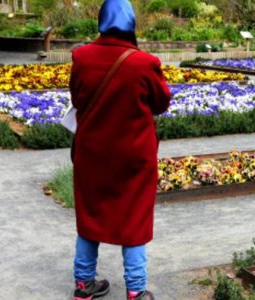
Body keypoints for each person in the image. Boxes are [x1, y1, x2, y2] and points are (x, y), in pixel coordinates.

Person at [69, 0, 171, 298]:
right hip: (132, 159)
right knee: (134, 219)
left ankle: (83, 284)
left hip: (92, 156)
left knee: (90, 217)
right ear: (131, 23)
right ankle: (136, 291)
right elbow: (162, 102)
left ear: (101, 20)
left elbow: (77, 99)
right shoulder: (144, 62)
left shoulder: (82, 57)